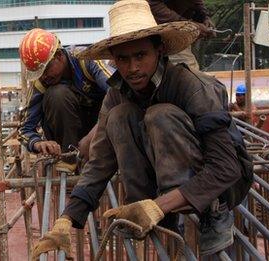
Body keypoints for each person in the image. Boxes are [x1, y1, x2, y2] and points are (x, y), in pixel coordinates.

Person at [31, 0, 253, 259]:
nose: (132, 68)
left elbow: (226, 167)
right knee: (118, 117)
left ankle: (210, 212)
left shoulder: (191, 87)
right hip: (166, 183)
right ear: (113, 58)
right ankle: (148, 211)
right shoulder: (116, 94)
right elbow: (100, 162)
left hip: (220, 184)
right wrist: (68, 219)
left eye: (140, 56)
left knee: (160, 115)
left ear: (159, 50)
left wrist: (159, 206)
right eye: (123, 59)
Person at [18, 28, 114, 163]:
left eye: (45, 69)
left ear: (58, 55)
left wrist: (94, 134)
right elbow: (25, 129)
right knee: (57, 94)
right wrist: (37, 143)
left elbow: (118, 92)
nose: (44, 76)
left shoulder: (85, 59)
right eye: (39, 73)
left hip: (99, 129)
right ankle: (69, 159)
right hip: (64, 141)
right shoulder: (41, 81)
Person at [148, 0, 216, 70]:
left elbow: (197, 2)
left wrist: (204, 17)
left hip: (176, 32)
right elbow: (152, 4)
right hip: (159, 32)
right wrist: (187, 25)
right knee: (189, 72)